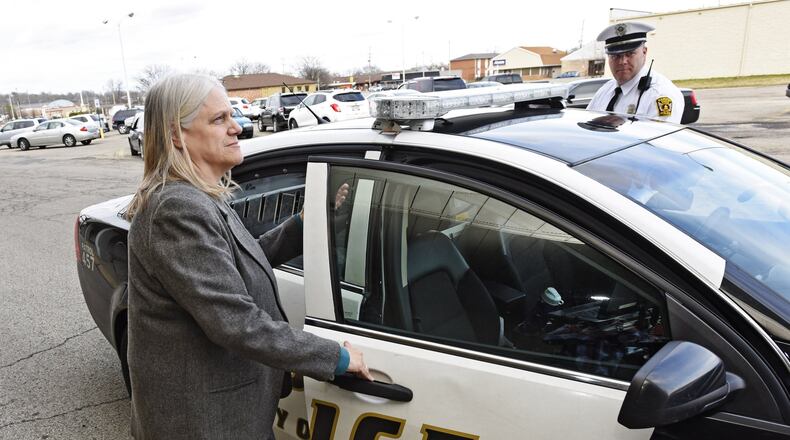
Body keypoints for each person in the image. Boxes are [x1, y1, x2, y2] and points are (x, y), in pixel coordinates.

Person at [124, 73, 373, 440]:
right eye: (219, 119)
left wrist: (305, 224)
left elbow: (242, 263)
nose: (237, 128)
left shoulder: (198, 197)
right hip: (205, 425)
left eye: (231, 116)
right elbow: (234, 321)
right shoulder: (176, 208)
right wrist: (334, 357)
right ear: (176, 134)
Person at [587, 22, 684, 124]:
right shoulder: (605, 91)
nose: (622, 61)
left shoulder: (661, 94)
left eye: (630, 54)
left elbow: (658, 138)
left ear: (644, 52)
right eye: (616, 56)